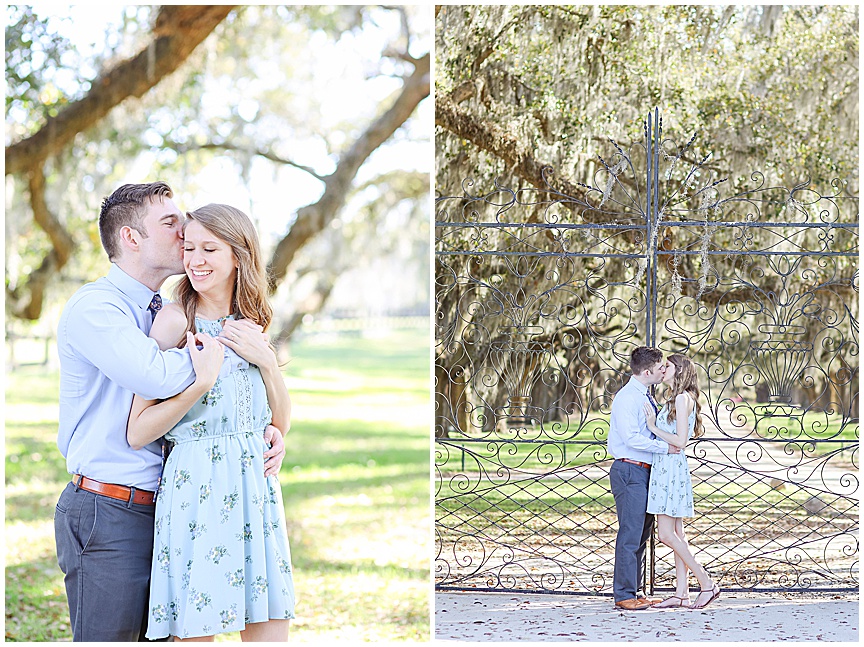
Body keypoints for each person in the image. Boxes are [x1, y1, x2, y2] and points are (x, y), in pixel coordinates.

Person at [54, 182, 285, 642]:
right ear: (131, 238)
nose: (184, 234)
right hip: (108, 507)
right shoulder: (98, 308)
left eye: (201, 239)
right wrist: (219, 356)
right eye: (172, 223)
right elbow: (155, 377)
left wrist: (265, 399)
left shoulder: (159, 307)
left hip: (167, 501)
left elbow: (251, 401)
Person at [126, 203, 295, 641]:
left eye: (209, 249)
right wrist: (197, 385)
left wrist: (269, 364)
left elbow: (280, 421)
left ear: (238, 255)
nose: (194, 260)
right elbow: (138, 429)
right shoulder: (174, 321)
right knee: (197, 631)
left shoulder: (253, 319)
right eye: (189, 248)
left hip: (255, 490)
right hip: (196, 490)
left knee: (270, 630)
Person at [643, 353, 720, 609]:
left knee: (665, 534)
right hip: (667, 467)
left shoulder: (681, 397)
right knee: (677, 534)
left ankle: (707, 583)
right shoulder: (675, 398)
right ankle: (681, 593)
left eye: (668, 366)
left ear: (680, 371)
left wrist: (653, 427)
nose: (663, 369)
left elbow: (681, 441)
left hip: (671, 469)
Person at [607, 346, 680, 611]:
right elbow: (631, 439)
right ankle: (624, 594)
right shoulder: (628, 398)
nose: (663, 370)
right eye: (660, 367)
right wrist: (667, 448)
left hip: (645, 471)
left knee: (641, 534)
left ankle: (636, 591)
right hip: (629, 470)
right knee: (630, 533)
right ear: (647, 371)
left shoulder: (644, 396)